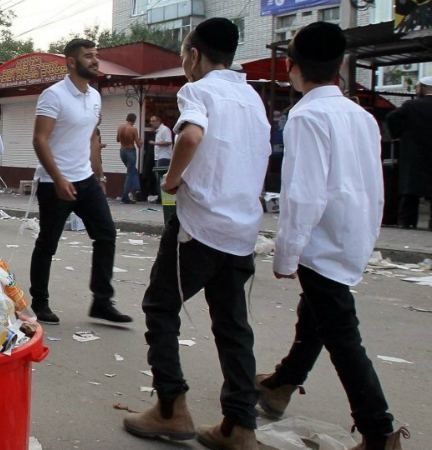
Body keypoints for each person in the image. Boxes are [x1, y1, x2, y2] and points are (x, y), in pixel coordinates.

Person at [256, 22, 408, 450]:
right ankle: (282, 383)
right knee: (319, 316)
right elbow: (372, 184)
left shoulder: (306, 116)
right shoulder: (361, 116)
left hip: (322, 242)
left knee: (342, 334)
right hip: (353, 233)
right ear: (340, 65)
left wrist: (285, 255)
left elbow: (303, 195)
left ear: (291, 67)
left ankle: (379, 430)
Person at [123, 19, 270, 449]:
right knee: (232, 325)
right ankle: (240, 424)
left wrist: (170, 180)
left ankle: (172, 409)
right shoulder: (251, 98)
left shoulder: (198, 90)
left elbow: (190, 135)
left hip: (200, 225)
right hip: (242, 228)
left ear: (193, 55)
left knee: (160, 305)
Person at [30, 38, 132, 326]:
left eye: (96, 56)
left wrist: (98, 176)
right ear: (71, 62)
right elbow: (39, 140)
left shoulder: (95, 96)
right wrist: (59, 178)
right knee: (48, 244)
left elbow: (92, 138)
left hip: (85, 179)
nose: (95, 61)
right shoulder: (53, 95)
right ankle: (40, 302)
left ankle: (102, 301)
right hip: (55, 183)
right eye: (88, 56)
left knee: (106, 234)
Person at [387, 76, 432, 230]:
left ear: (424, 88)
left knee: (410, 190)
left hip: (414, 154)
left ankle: (407, 223)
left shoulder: (411, 106)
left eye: (418, 86)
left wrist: (399, 134)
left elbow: (391, 117)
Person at [116, 113, 142, 203]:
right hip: (130, 151)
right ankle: (125, 196)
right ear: (134, 120)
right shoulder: (133, 129)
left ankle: (137, 188)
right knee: (130, 173)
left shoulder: (120, 127)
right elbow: (138, 145)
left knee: (132, 171)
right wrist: (141, 141)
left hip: (122, 151)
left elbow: (118, 140)